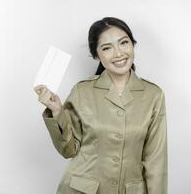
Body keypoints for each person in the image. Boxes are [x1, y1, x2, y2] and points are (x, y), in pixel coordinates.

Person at [34, 17, 168, 194]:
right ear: (97, 55)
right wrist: (57, 111)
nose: (118, 53)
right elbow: (68, 150)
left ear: (133, 45)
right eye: (107, 48)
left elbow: (156, 161)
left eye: (124, 43)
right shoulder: (82, 91)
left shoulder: (153, 95)